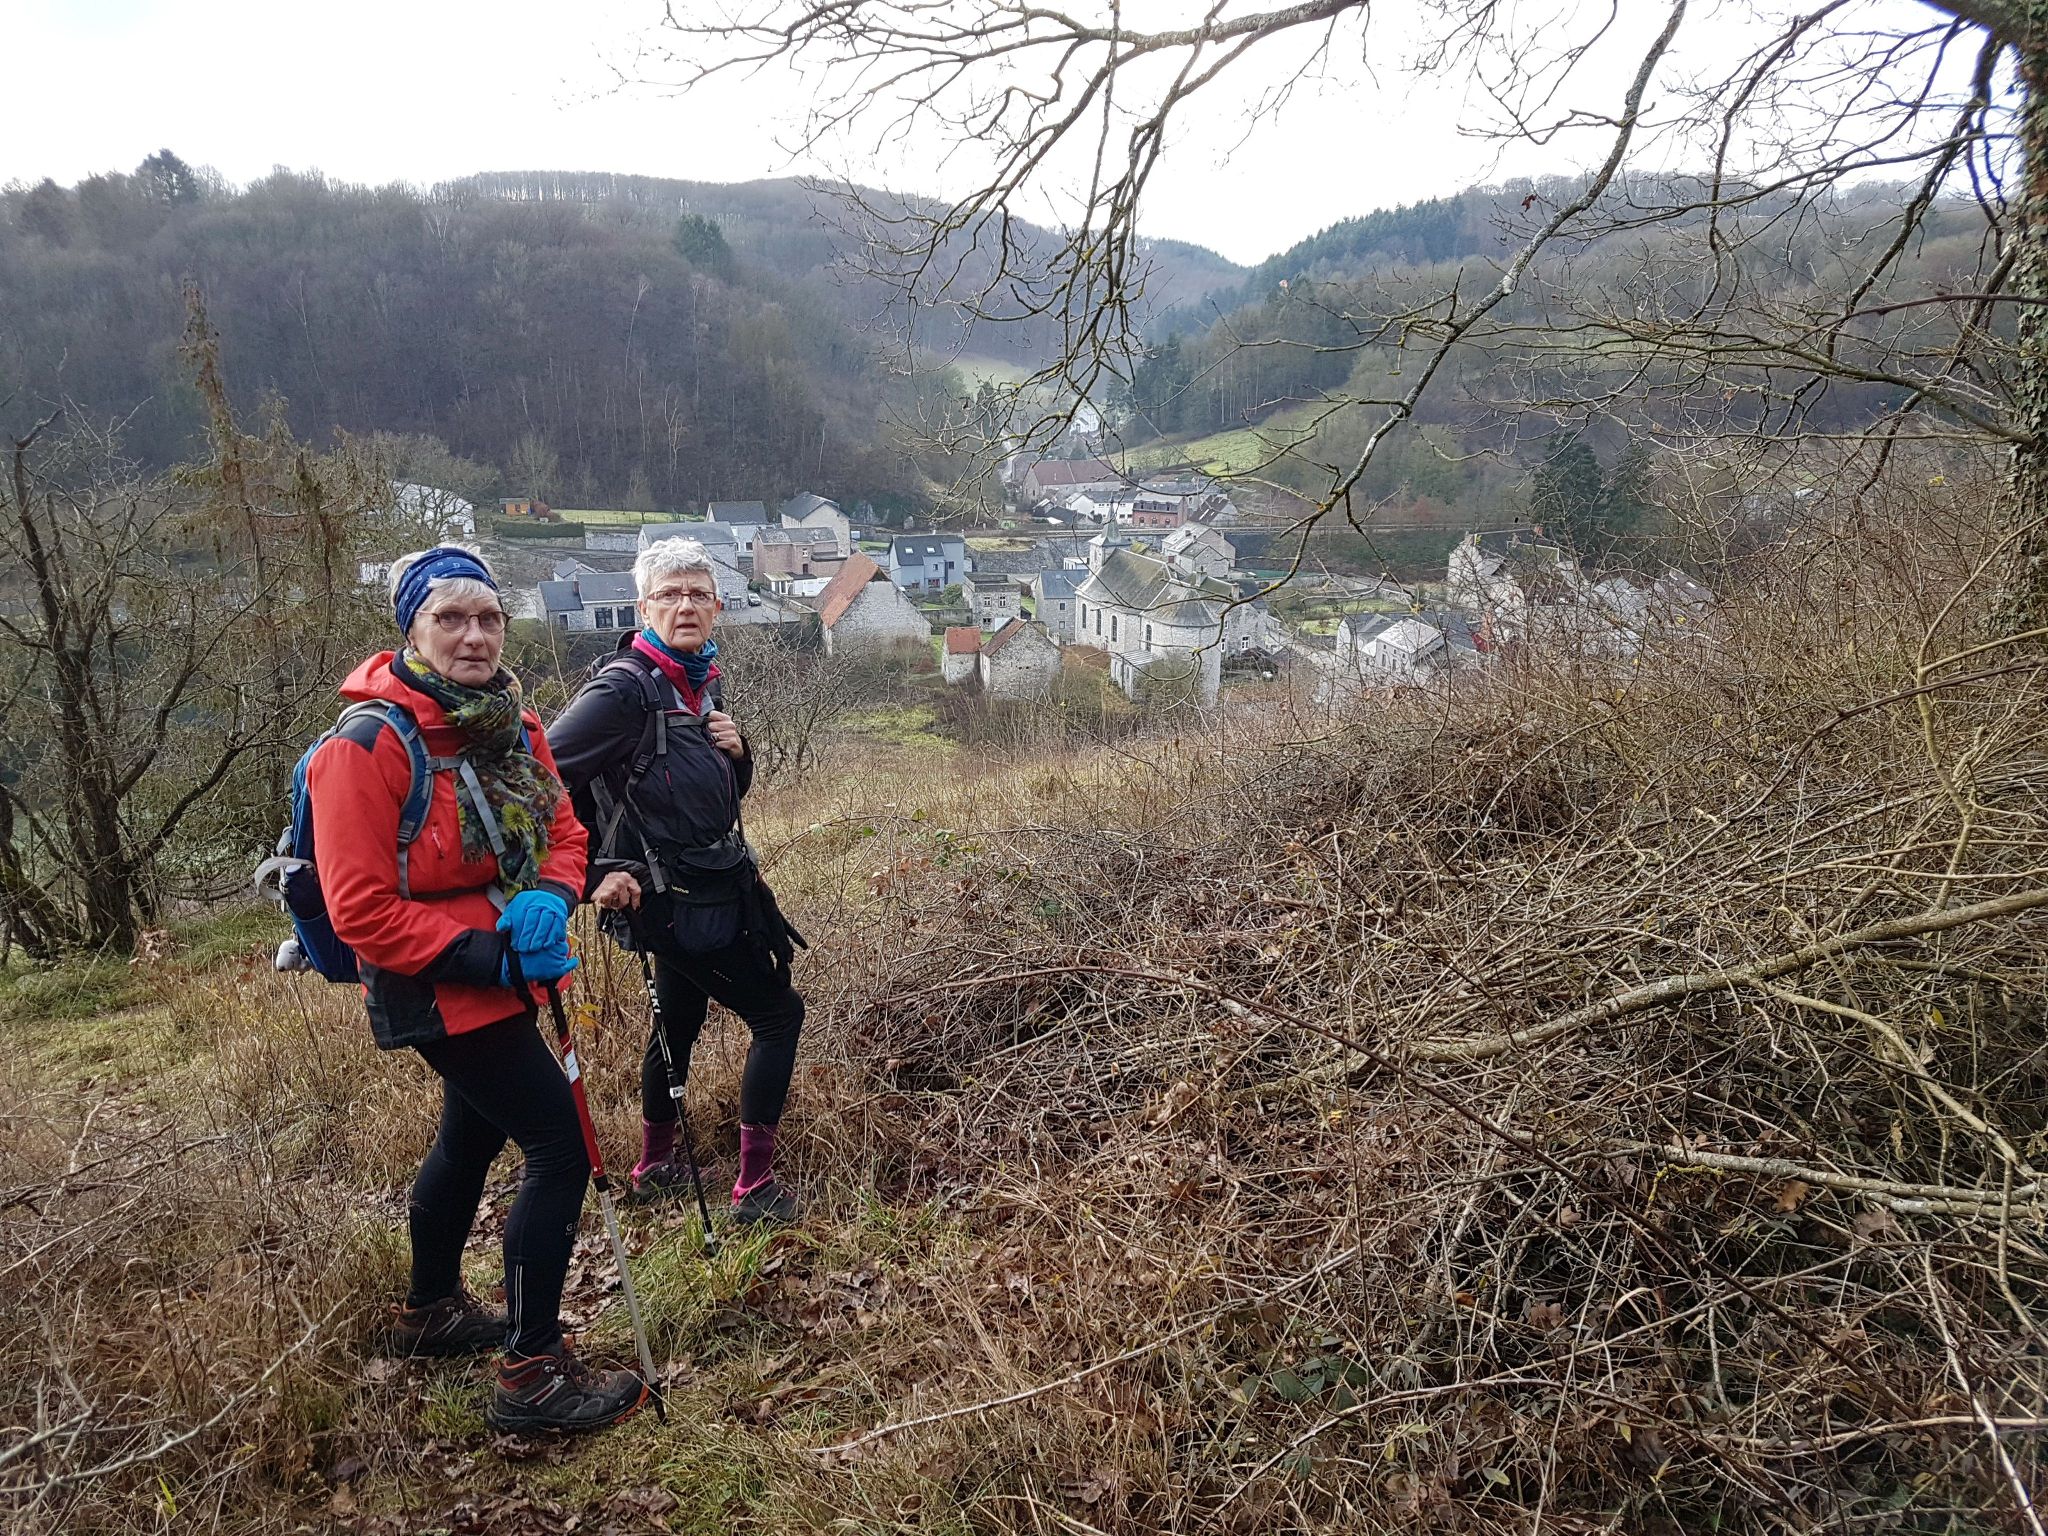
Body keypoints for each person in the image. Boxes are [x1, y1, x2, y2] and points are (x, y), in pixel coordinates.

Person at [309, 545, 647, 1433]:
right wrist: (489, 957)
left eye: (488, 617)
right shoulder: (365, 747)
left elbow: (564, 832)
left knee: (471, 1134)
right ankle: (532, 1375)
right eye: (449, 618)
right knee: (561, 1147)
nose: (473, 635)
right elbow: (360, 911)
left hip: (509, 969)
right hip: (433, 985)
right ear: (411, 629)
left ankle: (430, 1311)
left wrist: (550, 897)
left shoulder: (513, 726)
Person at [548, 537, 806, 1226]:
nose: (685, 605)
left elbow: (707, 799)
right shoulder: (623, 689)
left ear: (718, 606)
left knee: (680, 1019)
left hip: (705, 888)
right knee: (779, 1017)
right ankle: (755, 1188)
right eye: (669, 594)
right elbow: (539, 781)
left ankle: (655, 1166)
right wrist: (588, 873)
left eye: (698, 593)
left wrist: (739, 755)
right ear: (644, 607)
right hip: (670, 900)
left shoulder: (697, 683)